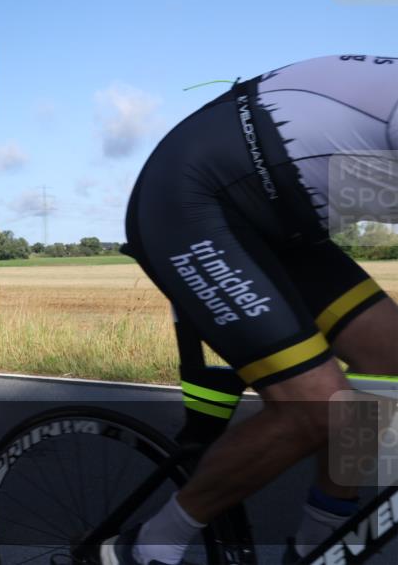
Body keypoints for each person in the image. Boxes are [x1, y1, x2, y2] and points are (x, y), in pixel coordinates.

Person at [102, 55, 398, 565]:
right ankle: (148, 546)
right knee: (318, 407)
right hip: (193, 199)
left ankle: (316, 546)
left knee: (390, 358)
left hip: (280, 225)